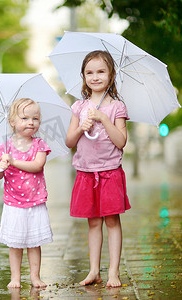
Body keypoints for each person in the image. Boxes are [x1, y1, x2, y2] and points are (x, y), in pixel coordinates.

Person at [65, 50, 131, 288]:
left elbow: (121, 141)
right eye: (89, 72)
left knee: (112, 221)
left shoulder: (116, 107)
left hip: (110, 171)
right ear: (83, 77)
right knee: (93, 223)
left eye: (101, 71)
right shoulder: (79, 106)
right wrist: (81, 126)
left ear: (111, 75)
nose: (95, 77)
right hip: (85, 172)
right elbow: (69, 142)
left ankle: (113, 271)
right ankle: (94, 270)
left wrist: (103, 119)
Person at [0, 97, 53, 289]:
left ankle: (35, 276)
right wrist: (0, 167)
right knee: (15, 243)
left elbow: (37, 165)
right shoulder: (4, 148)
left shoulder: (39, 145)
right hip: (13, 203)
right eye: (25, 118)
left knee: (34, 242)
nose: (30, 122)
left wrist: (14, 162)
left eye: (35, 118)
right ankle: (15, 277)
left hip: (35, 201)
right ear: (12, 122)